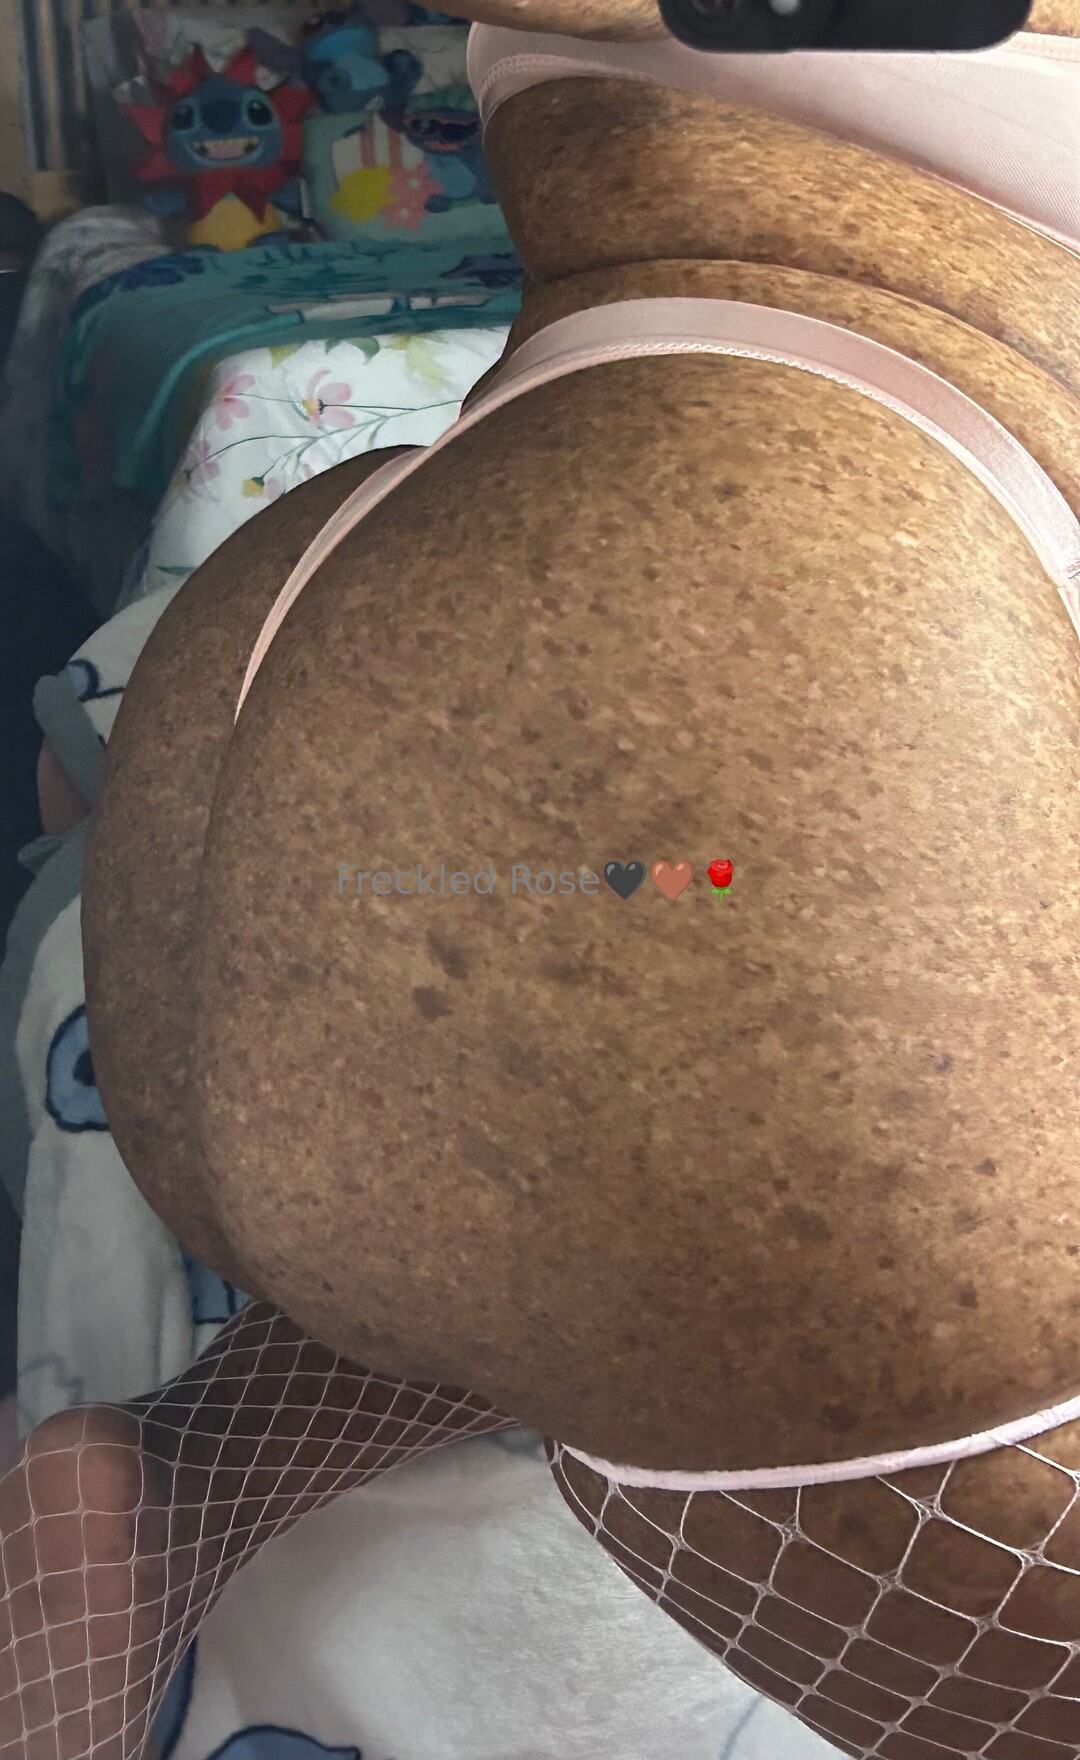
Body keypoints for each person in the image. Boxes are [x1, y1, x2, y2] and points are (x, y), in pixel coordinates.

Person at [6, 1, 1080, 1754]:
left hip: (330, 624)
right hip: (790, 622)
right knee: (655, 1213)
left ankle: (190, 1479)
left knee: (576, 1229)